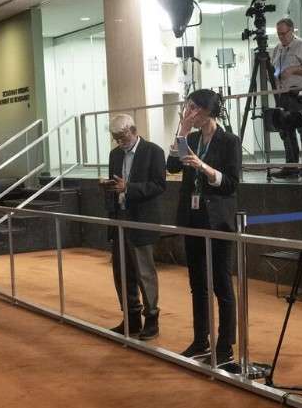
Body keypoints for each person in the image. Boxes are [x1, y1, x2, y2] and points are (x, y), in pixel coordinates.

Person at [167, 89, 242, 364]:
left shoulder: (229, 141)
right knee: (197, 284)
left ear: (208, 110)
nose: (189, 113)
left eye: (193, 108)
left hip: (218, 219)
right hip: (193, 217)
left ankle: (225, 346)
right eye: (188, 108)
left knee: (222, 283)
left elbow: (231, 183)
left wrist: (204, 167)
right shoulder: (191, 138)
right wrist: (182, 131)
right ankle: (201, 341)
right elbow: (172, 167)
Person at [103, 114, 167, 340]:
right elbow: (116, 184)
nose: (119, 141)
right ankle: (131, 318)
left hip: (142, 219)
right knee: (121, 272)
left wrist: (128, 188)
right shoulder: (114, 154)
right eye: (115, 138)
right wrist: (109, 187)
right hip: (119, 217)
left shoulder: (154, 151)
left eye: (122, 136)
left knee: (144, 273)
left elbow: (159, 185)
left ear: (133, 130)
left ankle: (152, 319)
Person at [271, 18, 302, 180]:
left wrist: (294, 69)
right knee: (285, 129)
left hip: (299, 92)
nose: (281, 37)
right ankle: (291, 166)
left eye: (284, 33)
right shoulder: (277, 49)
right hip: (283, 93)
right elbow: (276, 70)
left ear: (292, 31)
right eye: (279, 34)